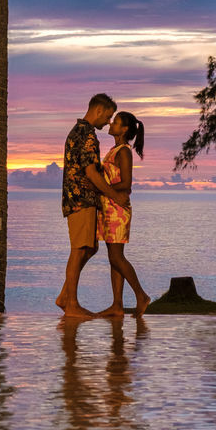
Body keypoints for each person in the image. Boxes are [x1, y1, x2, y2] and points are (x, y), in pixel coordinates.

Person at [57, 93, 129, 319]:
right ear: (98, 110)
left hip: (80, 198)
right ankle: (71, 304)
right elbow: (91, 173)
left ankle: (64, 296)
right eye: (107, 117)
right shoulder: (87, 134)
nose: (108, 122)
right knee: (79, 250)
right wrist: (114, 196)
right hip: (81, 199)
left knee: (90, 248)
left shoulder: (77, 131)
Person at [96, 111, 150, 317]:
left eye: (116, 122)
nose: (111, 123)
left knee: (117, 257)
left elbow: (126, 184)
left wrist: (102, 185)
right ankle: (117, 305)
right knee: (114, 257)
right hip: (109, 206)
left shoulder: (124, 152)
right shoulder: (115, 150)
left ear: (124, 129)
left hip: (117, 208)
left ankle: (141, 296)